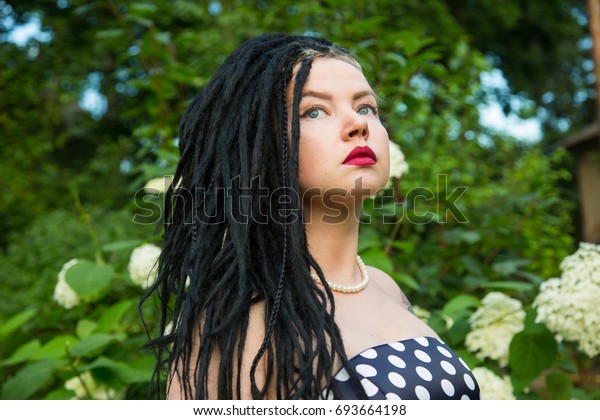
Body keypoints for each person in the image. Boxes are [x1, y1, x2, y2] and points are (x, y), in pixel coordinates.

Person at [141, 33, 480, 400]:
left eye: (366, 107)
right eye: (314, 111)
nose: (358, 124)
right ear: (263, 146)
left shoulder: (385, 287)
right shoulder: (246, 318)